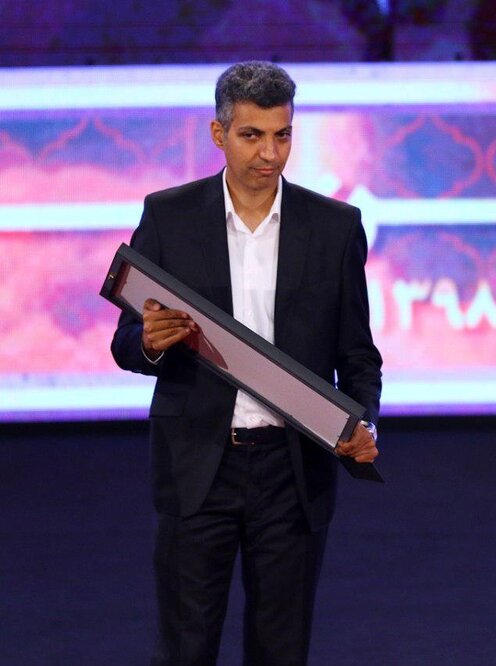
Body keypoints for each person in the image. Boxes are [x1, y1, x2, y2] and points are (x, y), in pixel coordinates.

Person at [111, 61, 383, 665]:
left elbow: (358, 354)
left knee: (280, 652)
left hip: (294, 470)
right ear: (219, 133)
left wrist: (362, 420)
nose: (270, 153)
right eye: (252, 135)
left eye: (282, 135)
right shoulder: (169, 216)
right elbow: (126, 342)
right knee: (184, 651)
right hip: (196, 466)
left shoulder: (336, 227)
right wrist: (150, 341)